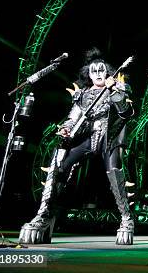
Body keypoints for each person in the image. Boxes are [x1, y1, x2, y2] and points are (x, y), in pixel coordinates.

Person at [19, 48, 135, 245]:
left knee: (114, 172)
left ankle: (126, 219)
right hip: (87, 137)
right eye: (94, 71)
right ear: (88, 75)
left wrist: (114, 91)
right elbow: (73, 117)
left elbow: (125, 112)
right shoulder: (82, 95)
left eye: (101, 70)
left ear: (107, 72)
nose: (98, 74)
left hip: (110, 136)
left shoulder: (119, 89)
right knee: (59, 164)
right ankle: (45, 214)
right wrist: (65, 128)